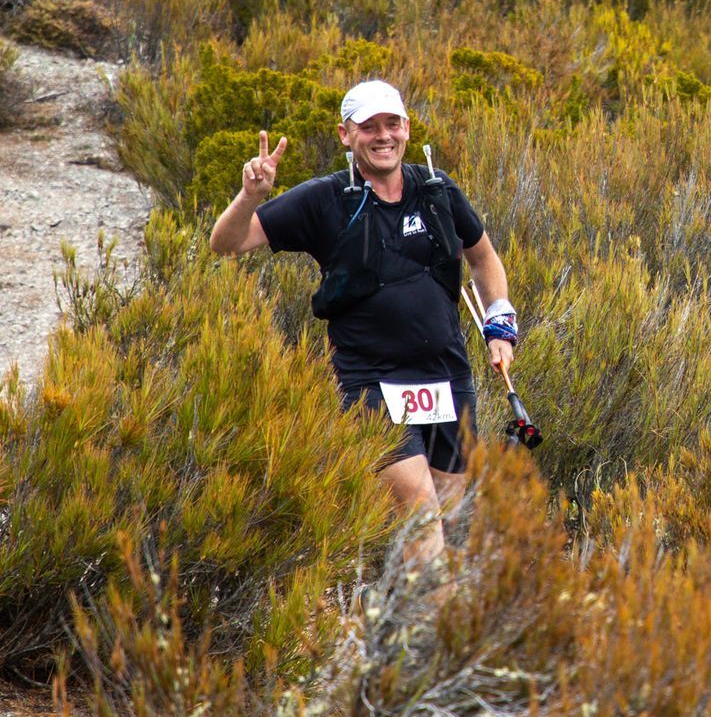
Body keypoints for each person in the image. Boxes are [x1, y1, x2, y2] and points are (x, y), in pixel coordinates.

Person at [208, 78, 518, 560]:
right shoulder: (323, 200)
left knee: (454, 517)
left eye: (391, 124)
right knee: (419, 511)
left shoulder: (436, 190)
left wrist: (500, 325)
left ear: (407, 128)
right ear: (345, 135)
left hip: (447, 378)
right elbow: (227, 243)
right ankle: (426, 626)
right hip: (371, 382)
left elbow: (483, 258)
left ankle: (429, 620)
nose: (383, 136)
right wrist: (251, 196)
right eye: (367, 127)